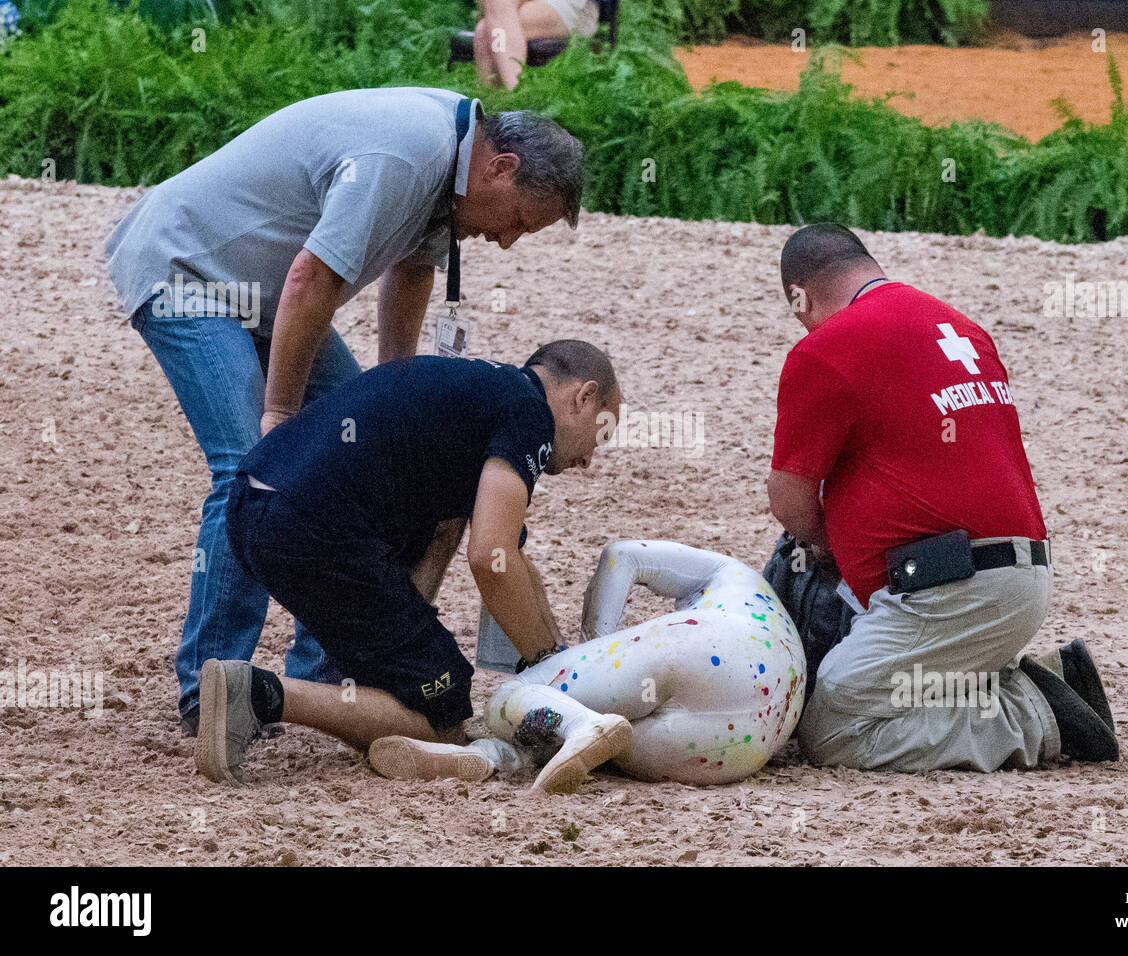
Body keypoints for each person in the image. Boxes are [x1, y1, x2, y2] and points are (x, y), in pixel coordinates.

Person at [103, 86, 584, 735]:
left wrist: (398, 403)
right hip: (188, 271)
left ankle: (314, 677)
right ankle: (207, 690)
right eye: (521, 221)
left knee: (366, 461)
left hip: (271, 294)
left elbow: (411, 272)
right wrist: (277, 413)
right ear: (502, 168)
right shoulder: (410, 154)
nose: (506, 242)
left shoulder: (454, 168)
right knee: (253, 465)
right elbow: (311, 279)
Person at [766, 223, 1118, 773]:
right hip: (1014, 573)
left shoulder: (826, 349)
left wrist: (828, 547)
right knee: (886, 681)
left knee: (833, 725)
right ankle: (1037, 679)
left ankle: (1034, 710)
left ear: (799, 296)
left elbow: (789, 502)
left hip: (950, 588)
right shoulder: (961, 327)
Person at [193, 340, 620, 786]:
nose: (588, 460)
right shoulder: (529, 414)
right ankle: (257, 694)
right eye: (601, 432)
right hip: (314, 525)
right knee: (443, 709)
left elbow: (493, 548)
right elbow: (491, 560)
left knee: (417, 679)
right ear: (584, 397)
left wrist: (418, 635)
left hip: (253, 506)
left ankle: (373, 716)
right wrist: (554, 669)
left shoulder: (482, 393)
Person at [368, 539, 806, 793]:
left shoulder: (727, 571)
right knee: (574, 726)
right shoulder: (769, 612)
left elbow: (624, 555)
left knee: (516, 693)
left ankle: (573, 726)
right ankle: (489, 757)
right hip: (738, 749)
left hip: (714, 648)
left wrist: (595, 650)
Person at [473, 0, 599, 90]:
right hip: (516, 7)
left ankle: (515, 97)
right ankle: (494, 114)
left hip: (573, 6)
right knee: (483, 32)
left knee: (487, 32)